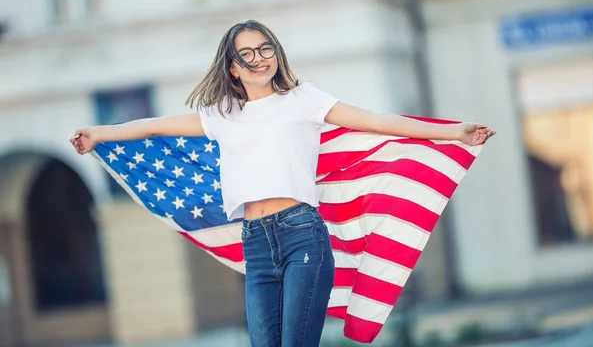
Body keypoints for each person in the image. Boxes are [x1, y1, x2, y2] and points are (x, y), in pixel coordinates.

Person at [70, 20, 495, 347]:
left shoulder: (303, 100)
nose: (258, 57)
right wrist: (98, 134)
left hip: (302, 236)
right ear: (232, 68)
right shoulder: (221, 114)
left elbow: (378, 121)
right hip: (255, 241)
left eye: (265, 47)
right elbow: (155, 127)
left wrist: (455, 131)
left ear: (276, 53)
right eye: (246, 53)